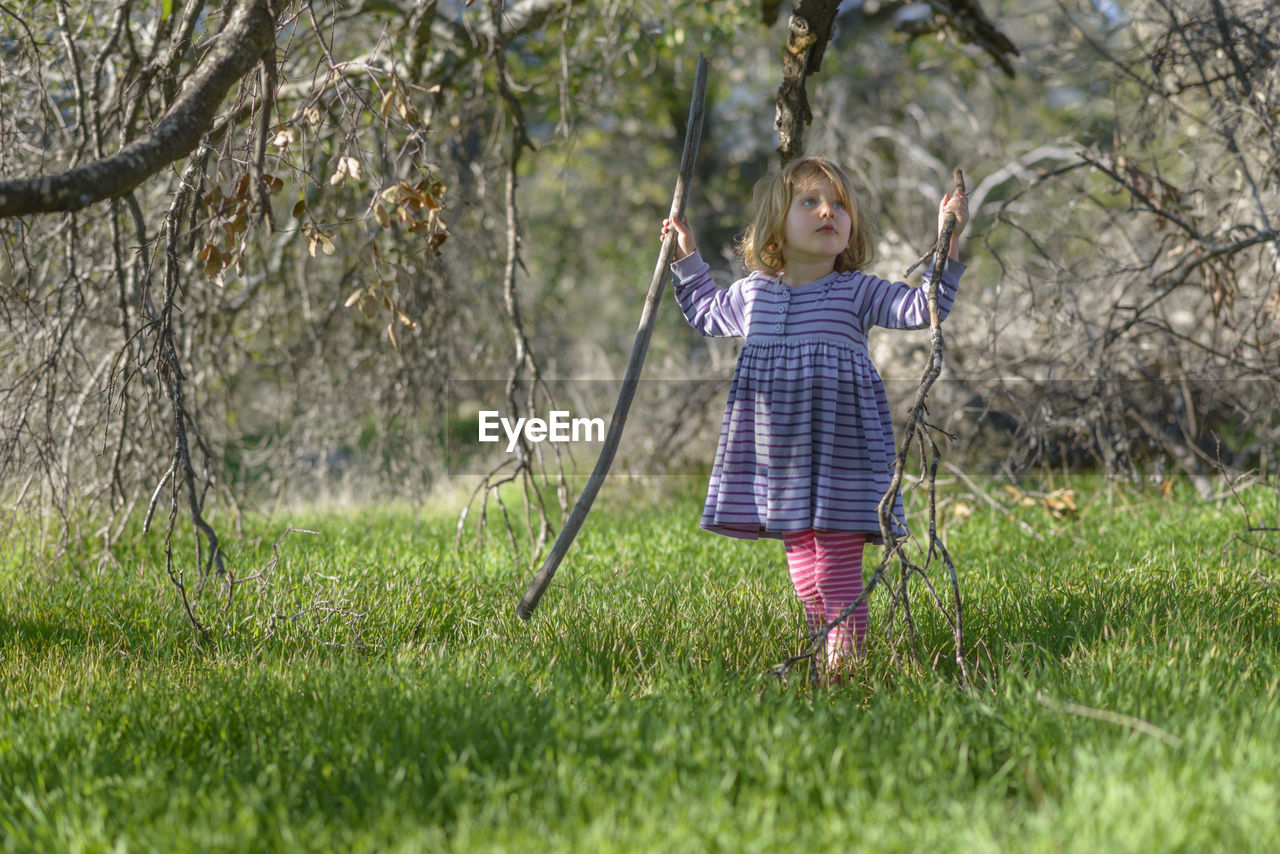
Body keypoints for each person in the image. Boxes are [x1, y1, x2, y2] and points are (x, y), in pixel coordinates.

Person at [661, 155, 968, 681]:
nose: (829, 211)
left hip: (840, 450)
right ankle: (825, 656)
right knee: (805, 570)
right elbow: (707, 314)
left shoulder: (856, 290)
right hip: (779, 458)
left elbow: (924, 307)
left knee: (836, 565)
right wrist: (687, 256)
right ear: (775, 223)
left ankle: (844, 674)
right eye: (810, 202)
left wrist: (949, 239)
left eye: (840, 205)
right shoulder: (753, 291)